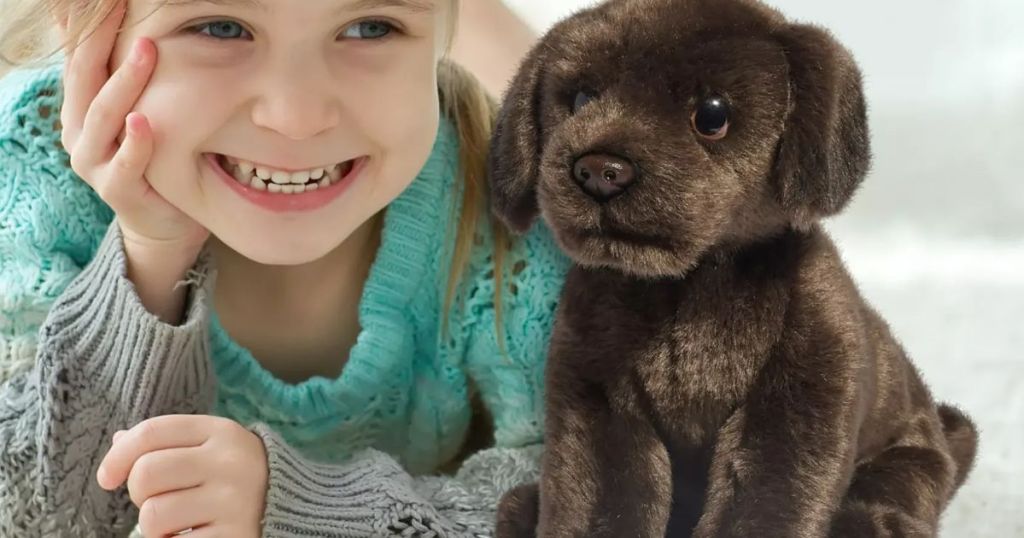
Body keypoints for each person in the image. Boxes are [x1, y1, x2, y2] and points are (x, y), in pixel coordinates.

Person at [0, 0, 570, 535]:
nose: (297, 118)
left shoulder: (511, 203)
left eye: (370, 26)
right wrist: (148, 254)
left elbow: (604, 494)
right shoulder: (28, 182)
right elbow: (34, 517)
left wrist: (315, 510)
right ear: (85, 27)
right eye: (221, 27)